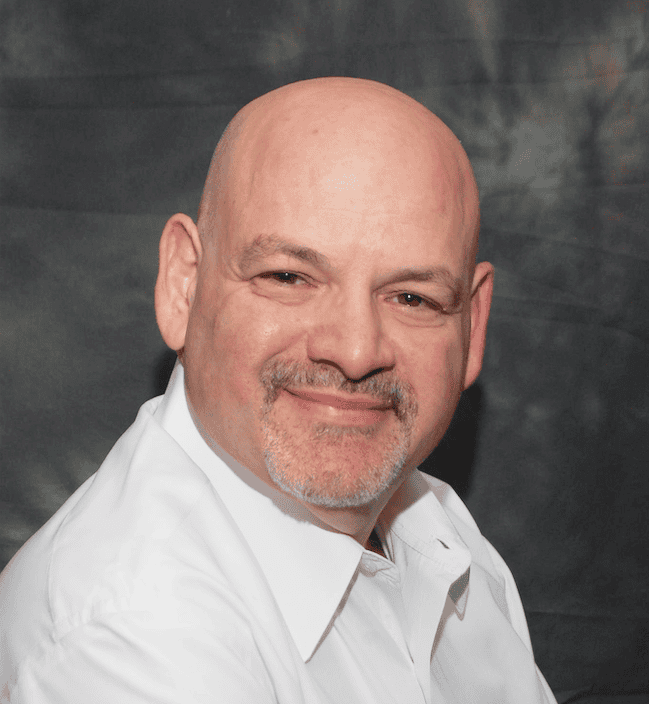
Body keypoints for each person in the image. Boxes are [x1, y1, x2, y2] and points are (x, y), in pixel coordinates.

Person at [0, 77, 557, 703]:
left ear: (472, 326)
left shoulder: (436, 528)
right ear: (184, 285)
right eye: (290, 276)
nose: (354, 351)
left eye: (412, 297)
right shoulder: (130, 638)